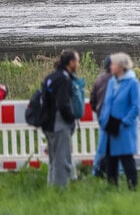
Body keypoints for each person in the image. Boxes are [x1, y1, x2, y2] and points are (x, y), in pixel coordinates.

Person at [99, 53, 140, 190]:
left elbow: (136, 107)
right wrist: (104, 119)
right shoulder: (112, 81)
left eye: (113, 64)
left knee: (126, 159)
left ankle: (133, 187)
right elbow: (107, 103)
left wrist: (124, 122)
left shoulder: (133, 83)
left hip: (123, 128)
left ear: (121, 66)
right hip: (110, 126)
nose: (110, 66)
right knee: (111, 159)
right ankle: (112, 187)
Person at [42, 50, 80, 188]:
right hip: (59, 124)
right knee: (62, 159)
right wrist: (71, 118)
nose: (78, 64)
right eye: (77, 61)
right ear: (71, 63)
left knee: (53, 160)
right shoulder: (64, 79)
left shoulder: (50, 77)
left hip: (48, 123)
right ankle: (60, 190)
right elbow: (63, 103)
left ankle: (51, 188)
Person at [90, 56, 113, 177]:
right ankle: (116, 171)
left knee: (102, 147)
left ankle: (96, 170)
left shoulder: (99, 80)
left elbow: (92, 101)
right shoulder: (118, 80)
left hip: (102, 118)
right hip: (115, 118)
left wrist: (98, 112)